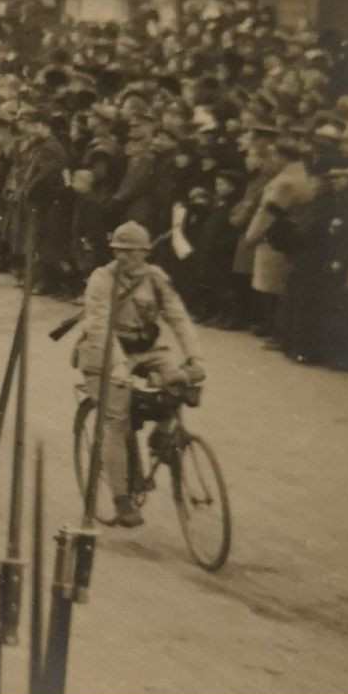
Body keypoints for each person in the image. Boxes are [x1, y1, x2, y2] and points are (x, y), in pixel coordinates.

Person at [74, 221, 206, 528]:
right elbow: (98, 326)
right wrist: (118, 366)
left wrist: (195, 358)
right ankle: (122, 500)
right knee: (116, 419)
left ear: (144, 253)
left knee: (177, 382)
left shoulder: (155, 278)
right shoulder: (101, 279)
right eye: (119, 251)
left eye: (131, 253)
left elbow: (178, 317)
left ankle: (162, 435)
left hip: (144, 348)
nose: (124, 258)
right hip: (105, 351)